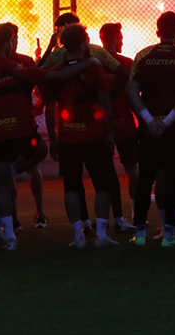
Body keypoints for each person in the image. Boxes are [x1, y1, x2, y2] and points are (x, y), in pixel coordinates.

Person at [0, 23, 100, 249]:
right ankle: (26, 216)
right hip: (21, 130)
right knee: (39, 151)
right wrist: (88, 63)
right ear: (7, 43)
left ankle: (7, 235)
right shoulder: (23, 67)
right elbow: (56, 76)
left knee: (2, 181)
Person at [41, 12, 125, 233]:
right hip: (94, 135)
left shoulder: (54, 67)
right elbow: (105, 102)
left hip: (67, 137)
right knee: (103, 184)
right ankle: (101, 234)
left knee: (71, 186)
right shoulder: (94, 66)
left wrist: (54, 137)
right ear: (84, 42)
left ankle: (79, 234)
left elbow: (49, 106)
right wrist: (109, 132)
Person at [128, 11, 175, 247]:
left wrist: (149, 120)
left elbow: (131, 91)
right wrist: (168, 120)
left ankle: (139, 234)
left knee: (145, 180)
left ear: (158, 31)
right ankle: (169, 237)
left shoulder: (142, 55)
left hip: (149, 130)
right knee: (172, 180)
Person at [3, 22, 48, 230]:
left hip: (4, 124)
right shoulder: (25, 61)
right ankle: (38, 214)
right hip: (24, 123)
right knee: (30, 165)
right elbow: (42, 87)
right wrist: (39, 103)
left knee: (11, 167)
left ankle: (16, 218)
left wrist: (39, 103)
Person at [98, 22, 137, 231]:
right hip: (124, 125)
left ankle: (117, 217)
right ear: (113, 39)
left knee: (107, 172)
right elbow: (133, 96)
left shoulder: (94, 64)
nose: (122, 41)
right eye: (120, 37)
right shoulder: (126, 64)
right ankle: (134, 214)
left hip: (102, 127)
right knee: (132, 168)